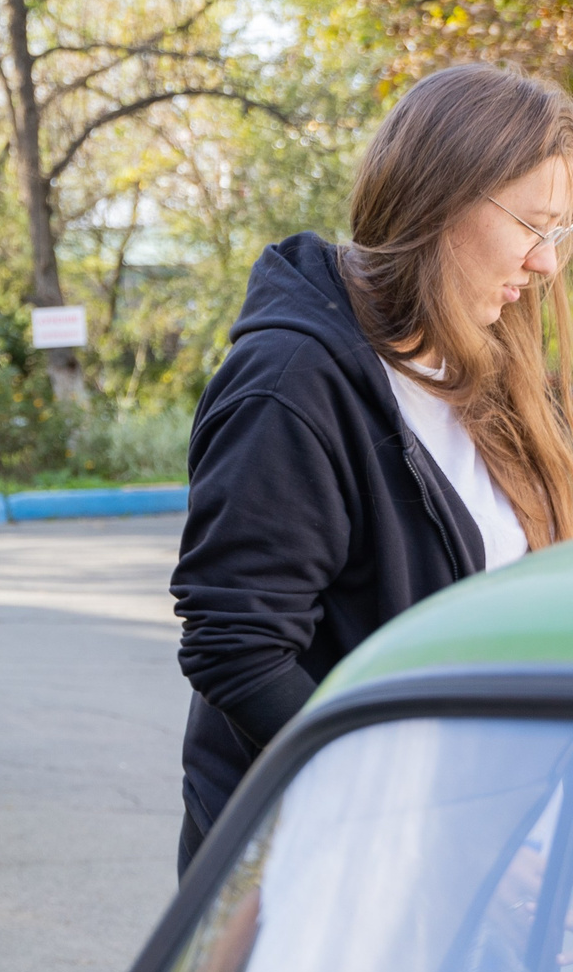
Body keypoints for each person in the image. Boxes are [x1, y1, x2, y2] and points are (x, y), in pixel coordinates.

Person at [173, 63, 573, 872]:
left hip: (476, 858)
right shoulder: (292, 386)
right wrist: (407, 802)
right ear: (439, 200)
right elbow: (236, 648)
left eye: (562, 232)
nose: (547, 265)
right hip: (331, 878)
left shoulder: (492, 368)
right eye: (534, 225)